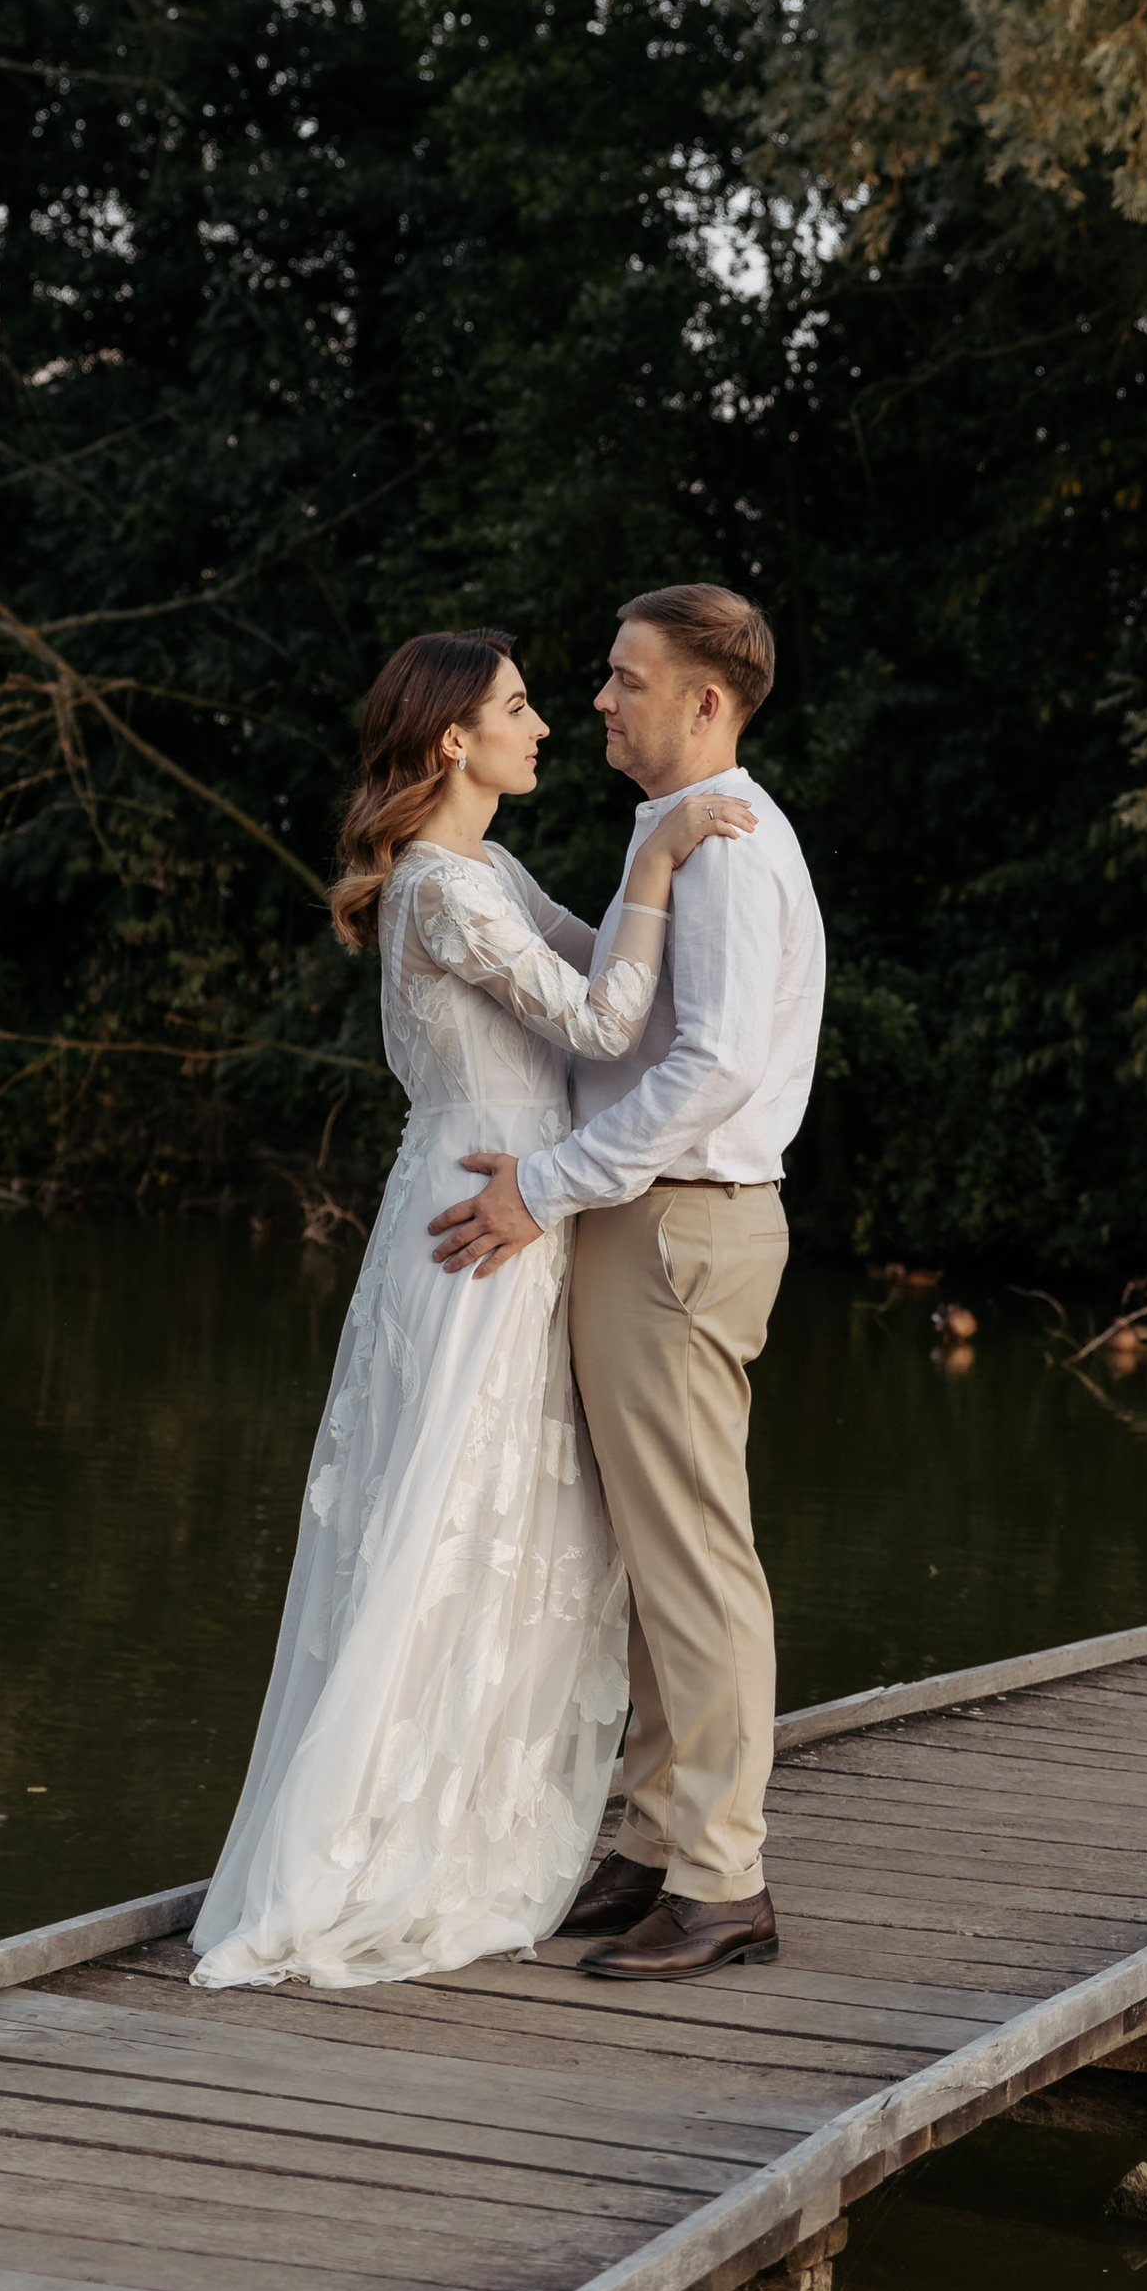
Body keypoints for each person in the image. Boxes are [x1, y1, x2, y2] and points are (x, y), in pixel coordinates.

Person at [190, 629, 752, 1990]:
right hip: (478, 1231)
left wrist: (658, 876)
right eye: (517, 707)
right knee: (450, 1514)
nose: (547, 724)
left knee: (509, 1515)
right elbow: (608, 1023)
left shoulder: (486, 870)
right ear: (453, 741)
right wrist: (669, 852)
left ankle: (471, 1816)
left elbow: (609, 961)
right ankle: (387, 1841)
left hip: (506, 1211)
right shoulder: (442, 891)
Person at [428, 584, 825, 1986]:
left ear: (705, 702)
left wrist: (542, 1184)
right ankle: (660, 1843)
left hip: (680, 1226)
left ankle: (723, 1880)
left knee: (695, 1556)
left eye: (626, 679)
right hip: (653, 1221)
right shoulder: (676, 839)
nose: (601, 698)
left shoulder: (724, 847)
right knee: (654, 1554)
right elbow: (618, 999)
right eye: (601, 677)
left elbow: (709, 1065)